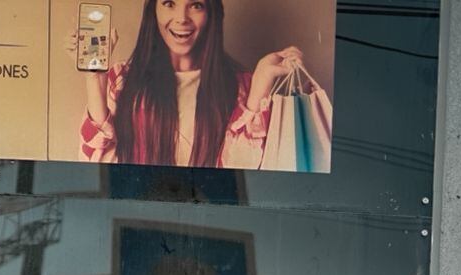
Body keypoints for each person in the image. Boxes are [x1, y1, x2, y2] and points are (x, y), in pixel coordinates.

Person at [74, 0, 305, 168]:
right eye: (169, 3)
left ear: (211, 12)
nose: (182, 17)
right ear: (153, 9)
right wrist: (94, 79)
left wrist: (262, 80)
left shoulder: (242, 85)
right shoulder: (123, 79)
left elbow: (243, 169)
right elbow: (96, 167)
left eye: (196, 5)